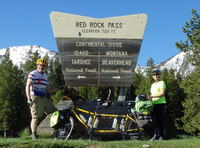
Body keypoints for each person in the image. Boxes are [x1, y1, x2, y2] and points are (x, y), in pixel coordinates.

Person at [25, 58, 57, 139]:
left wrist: (55, 89)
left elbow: (48, 88)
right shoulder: (33, 74)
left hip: (43, 97)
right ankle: (33, 134)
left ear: (45, 66)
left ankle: (54, 132)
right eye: (40, 65)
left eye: (43, 65)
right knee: (35, 117)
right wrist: (29, 98)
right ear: (37, 65)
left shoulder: (45, 76)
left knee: (55, 112)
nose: (41, 67)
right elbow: (28, 86)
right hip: (35, 97)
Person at [148, 69, 166, 140]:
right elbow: (152, 94)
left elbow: (162, 93)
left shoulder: (162, 83)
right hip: (153, 104)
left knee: (160, 120)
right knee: (154, 120)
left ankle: (161, 136)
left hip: (161, 103)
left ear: (159, 75)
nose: (155, 76)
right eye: (153, 74)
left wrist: (151, 96)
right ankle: (155, 135)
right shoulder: (152, 85)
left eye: (156, 74)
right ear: (152, 76)